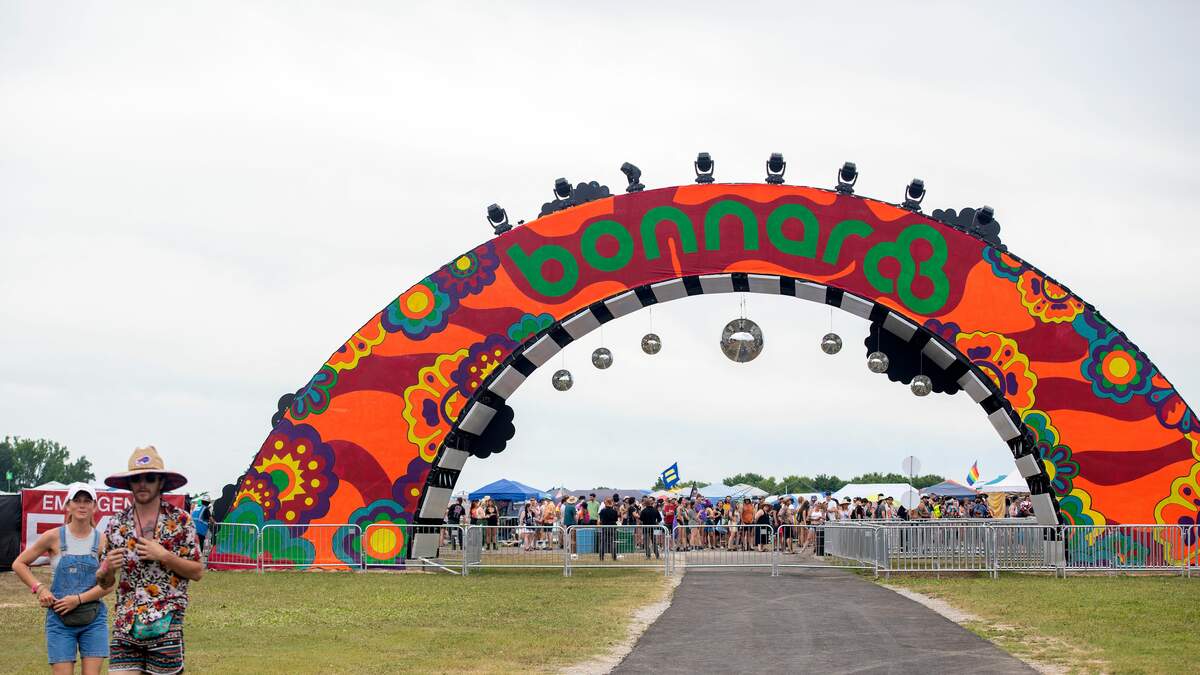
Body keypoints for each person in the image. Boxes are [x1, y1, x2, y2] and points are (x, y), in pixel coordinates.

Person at [98, 446, 202, 675]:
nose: (142, 484)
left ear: (161, 482)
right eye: (136, 479)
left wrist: (164, 555)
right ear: (129, 483)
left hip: (165, 622)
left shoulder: (180, 521)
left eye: (150, 478)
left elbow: (197, 571)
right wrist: (107, 569)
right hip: (126, 623)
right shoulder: (116, 523)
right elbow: (104, 583)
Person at [13, 483, 114, 675]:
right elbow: (19, 563)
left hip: (93, 619)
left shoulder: (103, 541)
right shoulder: (52, 537)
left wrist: (77, 600)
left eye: (87, 501)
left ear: (95, 507)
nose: (82, 505)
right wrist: (40, 588)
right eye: (77, 500)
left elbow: (108, 585)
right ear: (68, 505)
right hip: (60, 620)